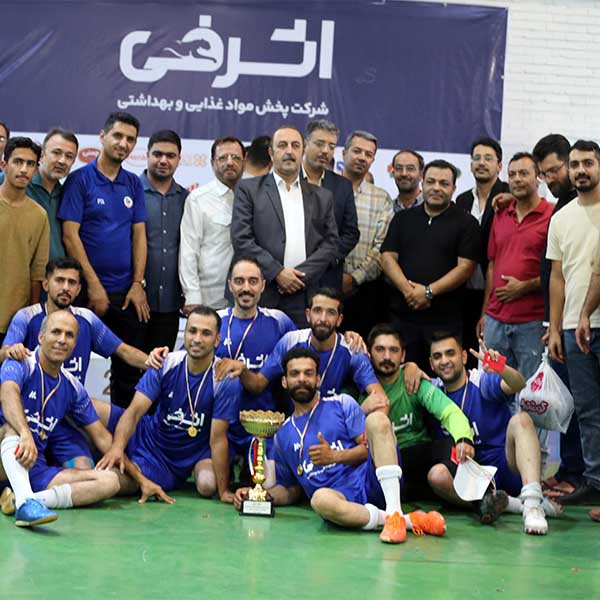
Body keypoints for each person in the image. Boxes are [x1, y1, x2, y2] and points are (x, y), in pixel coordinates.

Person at [233, 348, 447, 543]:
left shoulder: (342, 403)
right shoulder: (282, 434)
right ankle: (403, 520)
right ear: (284, 382)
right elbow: (290, 490)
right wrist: (260, 496)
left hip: (370, 480)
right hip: (339, 499)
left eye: (308, 373)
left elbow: (368, 449)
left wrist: (334, 457)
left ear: (318, 380)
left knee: (377, 420)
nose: (302, 379)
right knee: (319, 500)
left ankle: (393, 509)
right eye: (295, 374)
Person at [0, 257, 157, 468]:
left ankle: (151, 458)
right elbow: (5, 352)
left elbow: (124, 352)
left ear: (78, 289)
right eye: (59, 280)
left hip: (69, 413)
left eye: (72, 282)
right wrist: (11, 350)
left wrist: (160, 363)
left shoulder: (86, 319)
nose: (65, 287)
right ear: (46, 284)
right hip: (31, 413)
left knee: (85, 464)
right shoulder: (26, 316)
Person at [96, 306, 240, 503]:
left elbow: (218, 438)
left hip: (168, 462)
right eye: (192, 331)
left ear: (217, 340)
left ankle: (80, 477)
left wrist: (223, 491)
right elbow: (134, 412)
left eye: (206, 333)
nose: (197, 339)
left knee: (207, 485)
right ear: (185, 334)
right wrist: (117, 448)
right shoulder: (166, 362)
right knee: (87, 406)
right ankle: (71, 457)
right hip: (146, 433)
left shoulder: (223, 378)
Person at [59, 111, 149, 408]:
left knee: (128, 373)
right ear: (102, 136)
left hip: (124, 293)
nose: (123, 143)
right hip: (85, 293)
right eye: (118, 136)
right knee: (70, 365)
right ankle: (67, 424)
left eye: (130, 139)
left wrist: (137, 283)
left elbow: (139, 235)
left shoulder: (133, 183)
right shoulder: (79, 180)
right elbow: (70, 235)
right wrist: (94, 285)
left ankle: (121, 430)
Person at [0, 311, 120, 526]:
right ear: (41, 337)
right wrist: (25, 433)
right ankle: (26, 501)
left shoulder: (72, 386)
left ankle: (24, 499)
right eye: (56, 332)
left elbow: (102, 437)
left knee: (110, 481)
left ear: (75, 343)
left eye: (69, 335)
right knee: (11, 427)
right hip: (5, 456)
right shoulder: (20, 362)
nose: (62, 340)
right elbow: (8, 393)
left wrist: (141, 479)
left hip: (34, 468)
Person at [428, 332, 555, 535]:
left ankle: (532, 505)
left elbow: (518, 384)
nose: (444, 361)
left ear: (463, 357)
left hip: (505, 466)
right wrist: (410, 369)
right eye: (437, 356)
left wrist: (501, 369)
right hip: (471, 478)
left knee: (521, 420)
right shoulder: (432, 393)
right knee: (437, 476)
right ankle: (508, 504)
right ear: (431, 364)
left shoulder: (481, 381)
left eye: (450, 353)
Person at [231, 126, 338, 325]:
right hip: (260, 292)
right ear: (271, 153)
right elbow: (241, 238)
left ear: (303, 152)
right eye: (282, 145)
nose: (289, 151)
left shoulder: (322, 196)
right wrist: (278, 273)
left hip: (303, 294)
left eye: (295, 146)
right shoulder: (248, 189)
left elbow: (330, 244)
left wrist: (298, 277)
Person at [223, 288, 393, 412]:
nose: (323, 319)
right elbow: (258, 384)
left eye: (330, 313)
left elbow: (381, 399)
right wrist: (243, 370)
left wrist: (358, 414)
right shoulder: (290, 341)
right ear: (308, 315)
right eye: (317, 311)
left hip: (336, 429)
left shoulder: (353, 349)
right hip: (293, 429)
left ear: (339, 319)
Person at [381, 159, 480, 371]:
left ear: (454, 188)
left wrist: (427, 292)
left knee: (444, 378)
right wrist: (409, 292)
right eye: (431, 181)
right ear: (422, 182)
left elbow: (466, 268)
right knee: (401, 377)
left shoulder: (467, 223)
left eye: (444, 183)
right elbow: (387, 257)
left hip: (445, 322)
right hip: (402, 317)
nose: (436, 188)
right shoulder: (402, 218)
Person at [363, 324, 474, 501]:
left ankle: (483, 498)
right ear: (369, 353)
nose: (387, 356)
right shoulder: (359, 387)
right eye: (380, 349)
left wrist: (464, 439)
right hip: (382, 466)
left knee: (448, 447)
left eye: (394, 350)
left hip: (418, 457)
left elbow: (450, 412)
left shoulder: (413, 381)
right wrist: (362, 410)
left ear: (403, 355)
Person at [548, 140, 600, 506]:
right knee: (587, 410)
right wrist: (554, 328)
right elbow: (557, 277)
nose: (581, 170)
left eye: (588, 163)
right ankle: (595, 481)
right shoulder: (561, 217)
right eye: (575, 164)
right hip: (572, 327)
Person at [533, 133, 584, 498]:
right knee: (569, 403)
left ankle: (579, 475)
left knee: (582, 405)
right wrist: (553, 325)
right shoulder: (563, 208)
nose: (551, 178)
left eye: (556, 170)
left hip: (582, 322)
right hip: (562, 323)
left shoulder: (584, 206)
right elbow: (555, 275)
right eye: (545, 173)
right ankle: (571, 469)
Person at [216, 256, 296, 486]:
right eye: (239, 281)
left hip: (263, 427)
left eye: (253, 281)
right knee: (207, 484)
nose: (246, 288)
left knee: (268, 484)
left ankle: (249, 464)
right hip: (222, 426)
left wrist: (351, 337)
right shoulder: (215, 321)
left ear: (263, 285)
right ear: (230, 285)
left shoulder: (279, 322)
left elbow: (310, 343)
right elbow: (186, 359)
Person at [455, 138, 509, 364]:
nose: (481, 163)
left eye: (488, 158)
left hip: (498, 288)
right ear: (470, 165)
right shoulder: (462, 200)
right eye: (476, 158)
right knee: (466, 348)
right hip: (465, 287)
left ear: (499, 165)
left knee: (493, 356)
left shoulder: (509, 196)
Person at [179, 136, 245, 312]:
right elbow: (188, 250)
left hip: (247, 297)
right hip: (210, 299)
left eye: (236, 158)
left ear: (244, 162)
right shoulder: (198, 199)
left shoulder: (255, 197)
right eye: (222, 158)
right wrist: (192, 296)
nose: (229, 162)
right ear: (212, 163)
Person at [341, 131, 394, 337]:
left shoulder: (381, 198)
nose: (362, 157)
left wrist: (354, 278)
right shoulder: (323, 189)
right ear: (344, 153)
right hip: (322, 286)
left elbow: (382, 246)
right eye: (357, 151)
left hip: (364, 292)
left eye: (368, 154)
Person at [141, 130, 188, 351]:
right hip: (134, 300)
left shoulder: (187, 199)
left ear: (179, 159)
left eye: (170, 156)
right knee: (127, 367)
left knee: (162, 364)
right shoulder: (130, 191)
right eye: (157, 154)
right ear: (147, 155)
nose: (163, 160)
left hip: (171, 303)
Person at [0, 128, 78, 260]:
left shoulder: (67, 193)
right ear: (42, 155)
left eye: (69, 156)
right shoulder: (10, 179)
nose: (62, 161)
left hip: (56, 271)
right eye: (56, 153)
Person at [0, 137, 49, 346]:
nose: (24, 169)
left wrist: (30, 320)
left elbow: (37, 274)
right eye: (18, 162)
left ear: (36, 169)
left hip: (15, 322)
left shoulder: (39, 215)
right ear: (4, 165)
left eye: (30, 164)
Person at [302, 119, 359, 290]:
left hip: (327, 277)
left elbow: (350, 232)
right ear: (305, 144)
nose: (325, 151)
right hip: (289, 274)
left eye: (331, 146)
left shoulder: (343, 186)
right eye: (319, 144)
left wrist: (326, 259)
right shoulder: (287, 179)